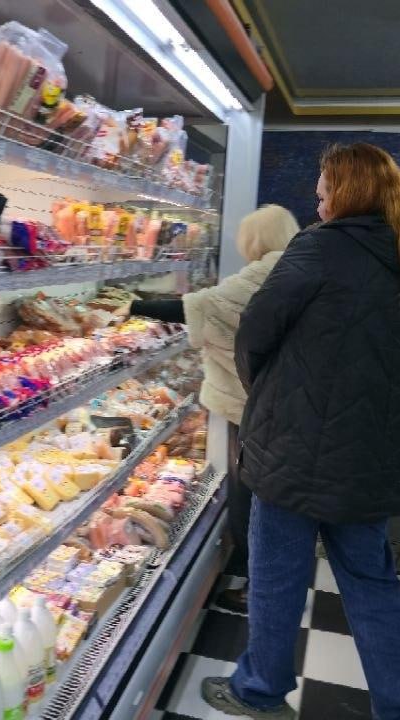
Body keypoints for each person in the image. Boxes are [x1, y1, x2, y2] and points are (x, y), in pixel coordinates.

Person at [203, 143, 400, 720]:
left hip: (295, 447)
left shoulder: (319, 247)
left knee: (277, 577)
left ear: (349, 192)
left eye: (325, 190)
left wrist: (266, 395)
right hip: (371, 458)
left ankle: (260, 690)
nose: (319, 201)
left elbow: (255, 332)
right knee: (372, 584)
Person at [125, 205, 301, 614]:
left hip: (249, 403)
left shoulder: (262, 275)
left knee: (249, 492)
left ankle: (259, 590)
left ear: (255, 239)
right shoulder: (296, 270)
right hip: (280, 399)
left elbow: (205, 306)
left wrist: (132, 307)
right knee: (269, 493)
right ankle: (270, 583)